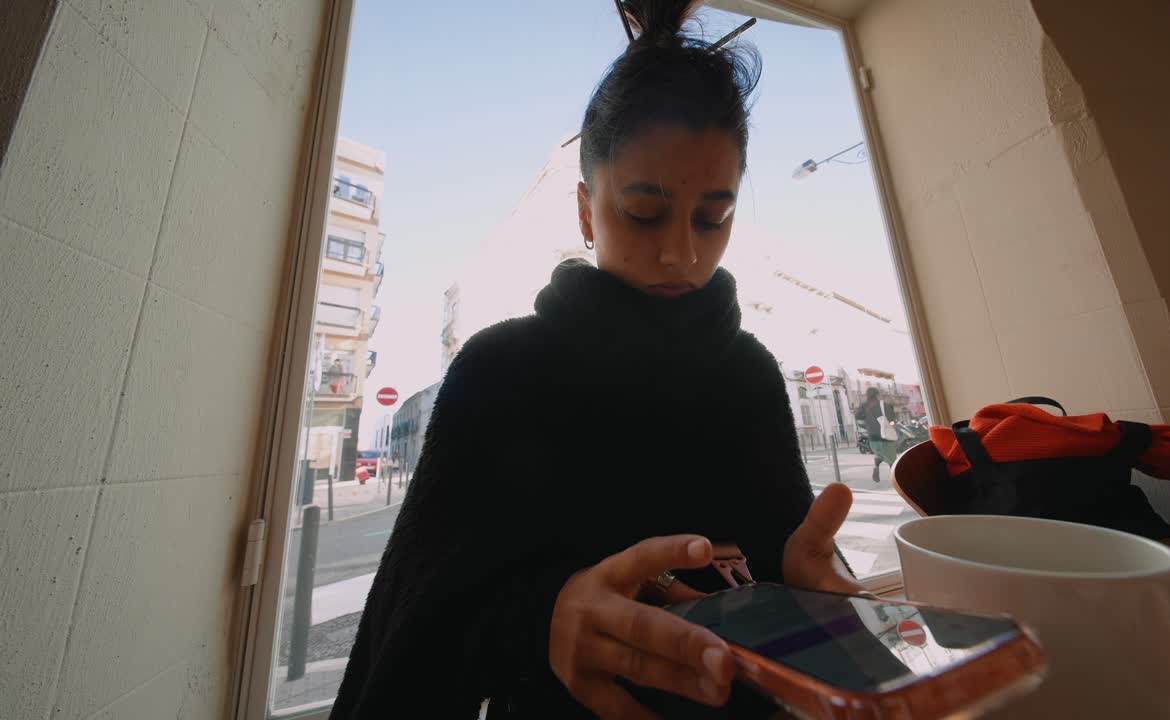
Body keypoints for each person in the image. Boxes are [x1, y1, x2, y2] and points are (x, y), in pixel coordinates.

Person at [331, 2, 862, 717]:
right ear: (586, 211)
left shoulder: (751, 375)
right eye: (644, 212)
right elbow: (407, 637)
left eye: (715, 215)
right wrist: (543, 621)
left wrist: (807, 590)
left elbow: (775, 600)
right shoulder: (502, 372)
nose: (683, 253)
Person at [856, 387, 897, 483]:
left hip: (872, 437)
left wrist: (868, 423)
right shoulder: (883, 404)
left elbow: (857, 416)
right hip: (885, 436)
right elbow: (891, 419)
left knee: (879, 453)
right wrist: (892, 426)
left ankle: (876, 467)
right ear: (877, 394)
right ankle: (897, 480)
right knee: (892, 459)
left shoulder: (863, 406)